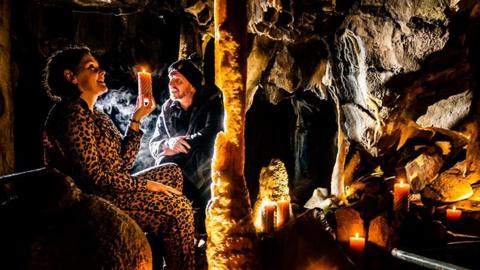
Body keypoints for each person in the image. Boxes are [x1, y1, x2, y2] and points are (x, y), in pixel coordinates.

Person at [42, 46, 195, 270]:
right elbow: (95, 178)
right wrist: (147, 186)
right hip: (88, 200)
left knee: (170, 173)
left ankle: (164, 258)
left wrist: (136, 119)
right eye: (91, 67)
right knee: (178, 208)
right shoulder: (70, 114)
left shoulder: (98, 116)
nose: (101, 71)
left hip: (109, 190)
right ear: (71, 77)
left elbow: (123, 164)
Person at [149, 59, 223, 234]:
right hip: (173, 173)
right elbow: (154, 144)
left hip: (204, 173)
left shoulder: (211, 103)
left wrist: (181, 144)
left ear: (192, 86)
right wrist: (168, 143)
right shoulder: (168, 109)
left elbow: (212, 134)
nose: (172, 85)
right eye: (170, 80)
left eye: (178, 81)